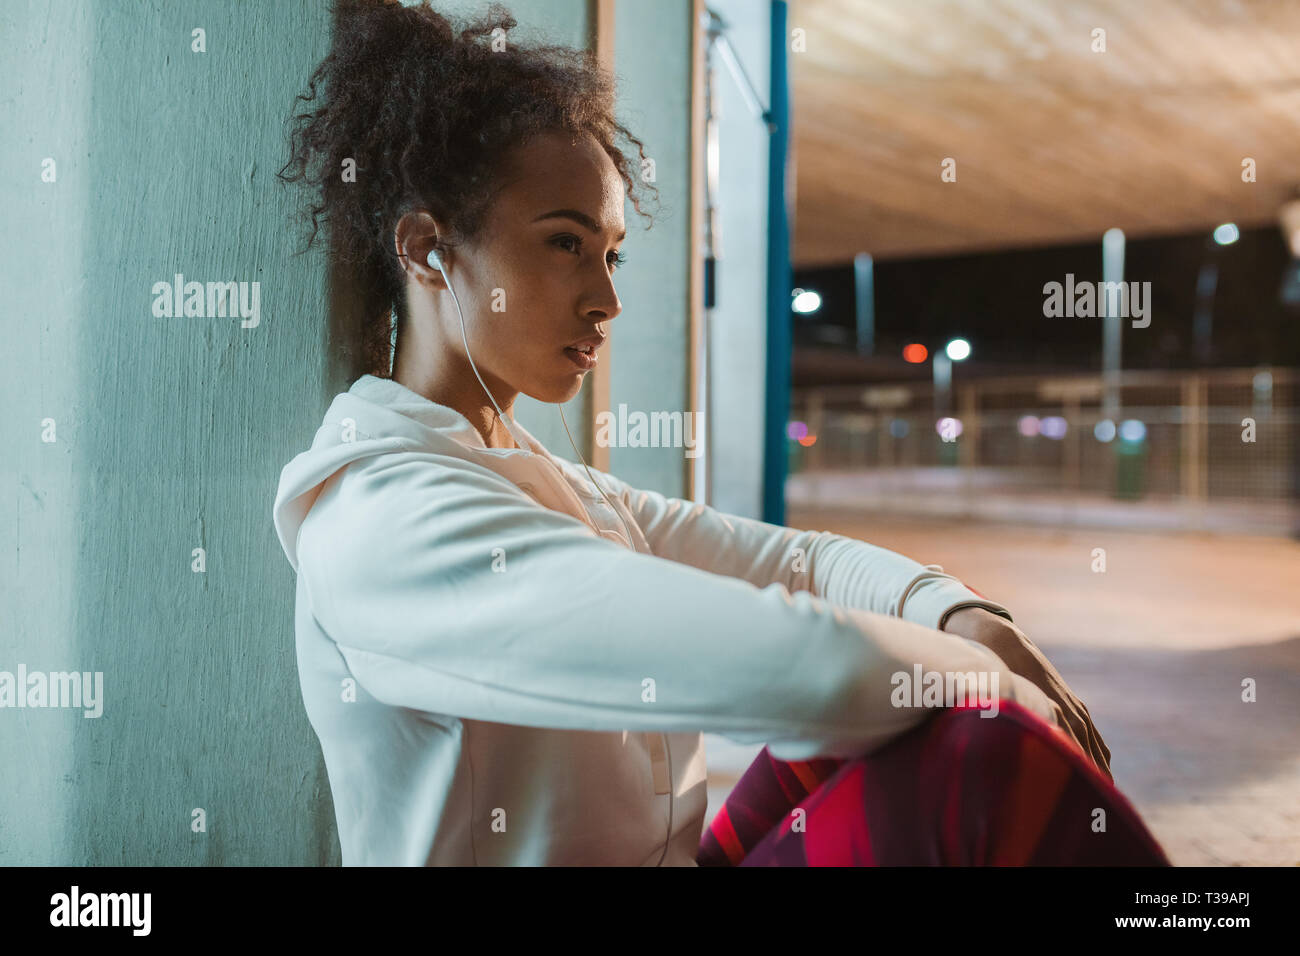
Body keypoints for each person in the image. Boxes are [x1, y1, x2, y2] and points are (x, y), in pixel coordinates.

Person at [273, 0, 1165, 866]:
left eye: (611, 253)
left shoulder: (540, 477)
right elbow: (813, 672)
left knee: (891, 734)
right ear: (429, 249)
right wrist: (1001, 696)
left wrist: (960, 612)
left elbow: (801, 565)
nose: (607, 300)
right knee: (981, 757)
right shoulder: (385, 516)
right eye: (564, 244)